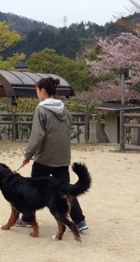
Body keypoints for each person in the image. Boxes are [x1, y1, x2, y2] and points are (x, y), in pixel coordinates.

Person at [17, 76, 88, 231]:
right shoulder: (64, 109)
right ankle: (80, 221)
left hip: (45, 157)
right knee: (66, 189)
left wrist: (28, 154)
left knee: (33, 188)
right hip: (63, 157)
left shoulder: (41, 109)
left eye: (37, 91)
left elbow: (37, 136)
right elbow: (69, 128)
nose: (37, 94)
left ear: (42, 91)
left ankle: (28, 218)